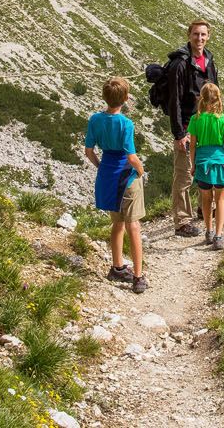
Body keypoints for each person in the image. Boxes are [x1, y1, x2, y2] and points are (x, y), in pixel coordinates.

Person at [83, 76, 147, 293]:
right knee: (133, 226)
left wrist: (100, 165)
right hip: (125, 177)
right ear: (126, 99)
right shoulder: (126, 124)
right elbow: (131, 156)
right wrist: (141, 170)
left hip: (107, 175)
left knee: (117, 224)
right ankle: (138, 277)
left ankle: (117, 267)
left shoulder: (95, 119)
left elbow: (89, 151)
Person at [165, 19, 218, 237]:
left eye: (203, 35)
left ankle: (203, 208)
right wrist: (179, 133)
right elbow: (174, 100)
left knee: (204, 165)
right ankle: (182, 221)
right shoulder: (181, 64)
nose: (200, 38)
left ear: (208, 37)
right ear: (189, 35)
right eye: (196, 34)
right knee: (184, 174)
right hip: (187, 126)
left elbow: (215, 91)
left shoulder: (209, 59)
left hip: (205, 124)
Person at [187, 82, 224, 249]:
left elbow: (192, 145)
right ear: (217, 99)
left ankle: (208, 231)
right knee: (220, 198)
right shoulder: (223, 119)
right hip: (220, 162)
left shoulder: (195, 119)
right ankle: (219, 235)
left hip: (202, 162)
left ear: (202, 98)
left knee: (206, 199)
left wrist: (192, 164)